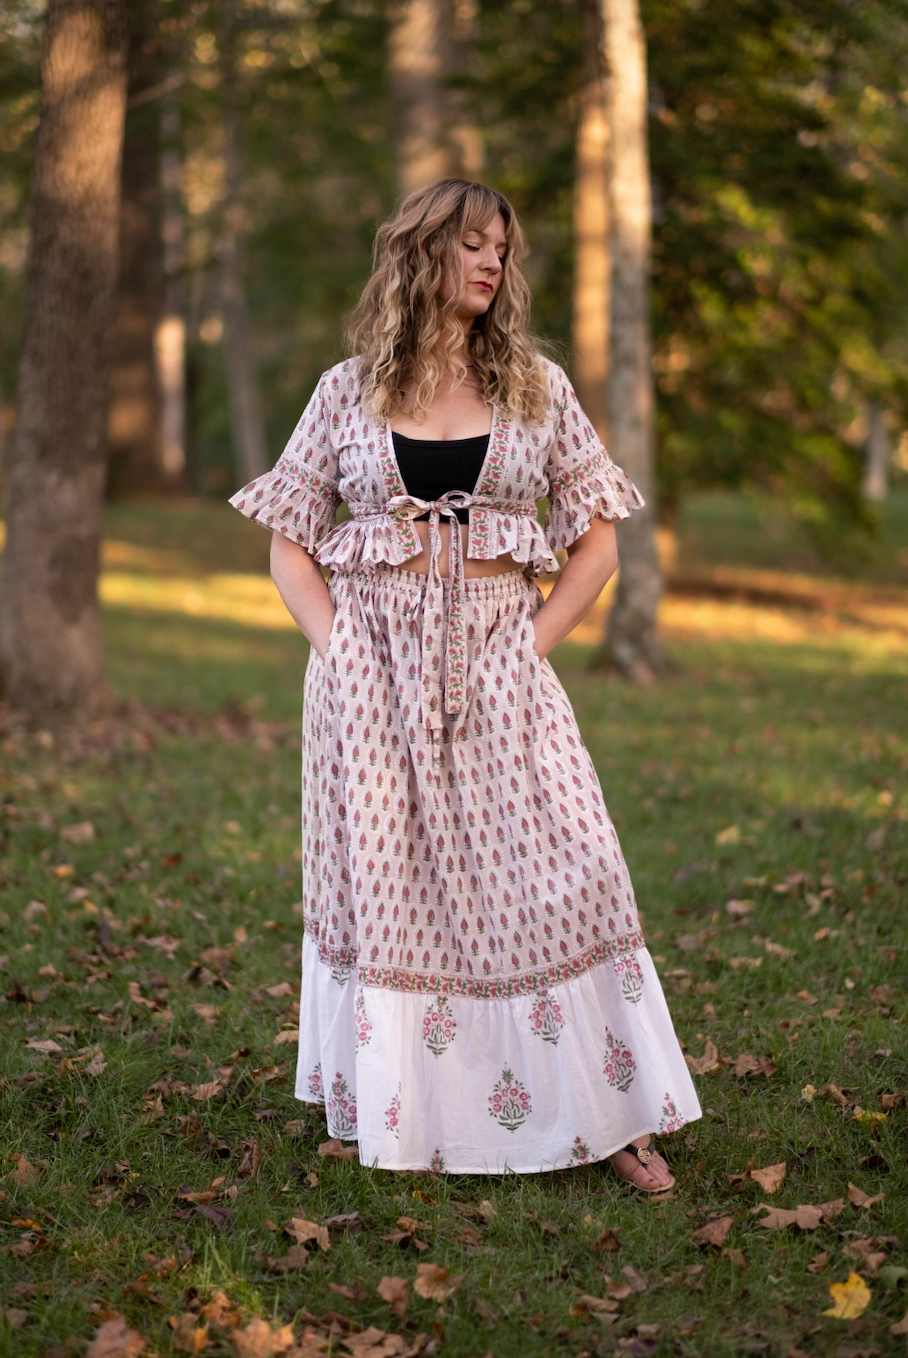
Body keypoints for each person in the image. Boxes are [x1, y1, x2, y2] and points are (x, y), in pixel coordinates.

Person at [229, 178, 701, 1191]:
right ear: (421, 252)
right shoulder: (344, 391)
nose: (492, 261)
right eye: (473, 243)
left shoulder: (536, 387)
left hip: (500, 657)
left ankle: (612, 1113)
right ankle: (399, 1098)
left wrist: (526, 648)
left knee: (567, 869)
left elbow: (597, 544)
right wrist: (340, 652)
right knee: (392, 887)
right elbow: (289, 547)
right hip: (370, 670)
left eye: (501, 248)